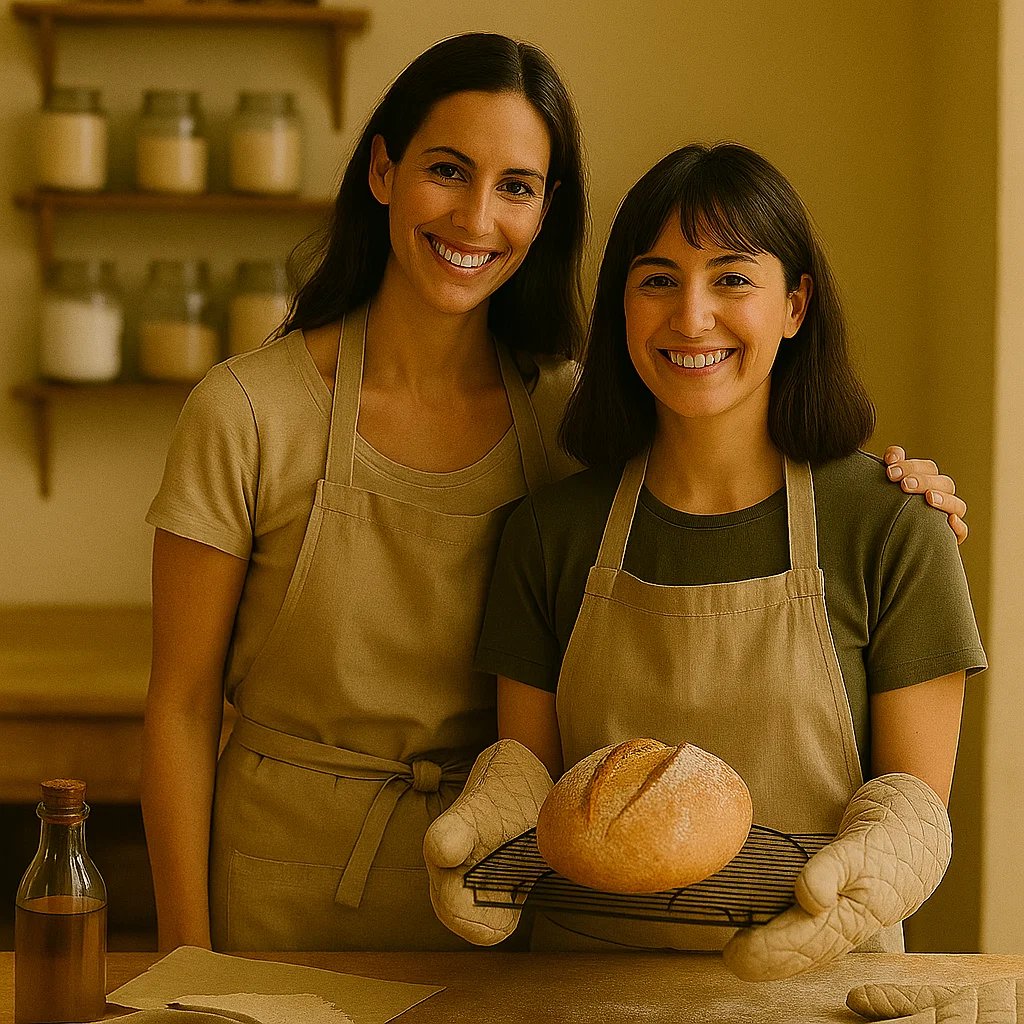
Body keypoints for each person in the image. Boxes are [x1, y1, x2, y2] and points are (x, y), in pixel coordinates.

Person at [141, 30, 964, 953]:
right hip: (282, 879)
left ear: (545, 211)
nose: (476, 217)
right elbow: (180, 706)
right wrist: (184, 960)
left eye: (517, 187)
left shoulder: (565, 417)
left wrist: (901, 499)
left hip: (501, 901)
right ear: (381, 170)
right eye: (447, 170)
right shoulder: (247, 412)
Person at [425, 143, 985, 959]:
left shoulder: (893, 527)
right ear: (622, 307)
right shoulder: (549, 531)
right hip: (578, 992)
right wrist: (486, 827)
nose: (691, 318)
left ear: (795, 305)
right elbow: (532, 778)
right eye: (657, 280)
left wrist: (853, 889)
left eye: (732, 279)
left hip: (816, 994)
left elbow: (911, 806)